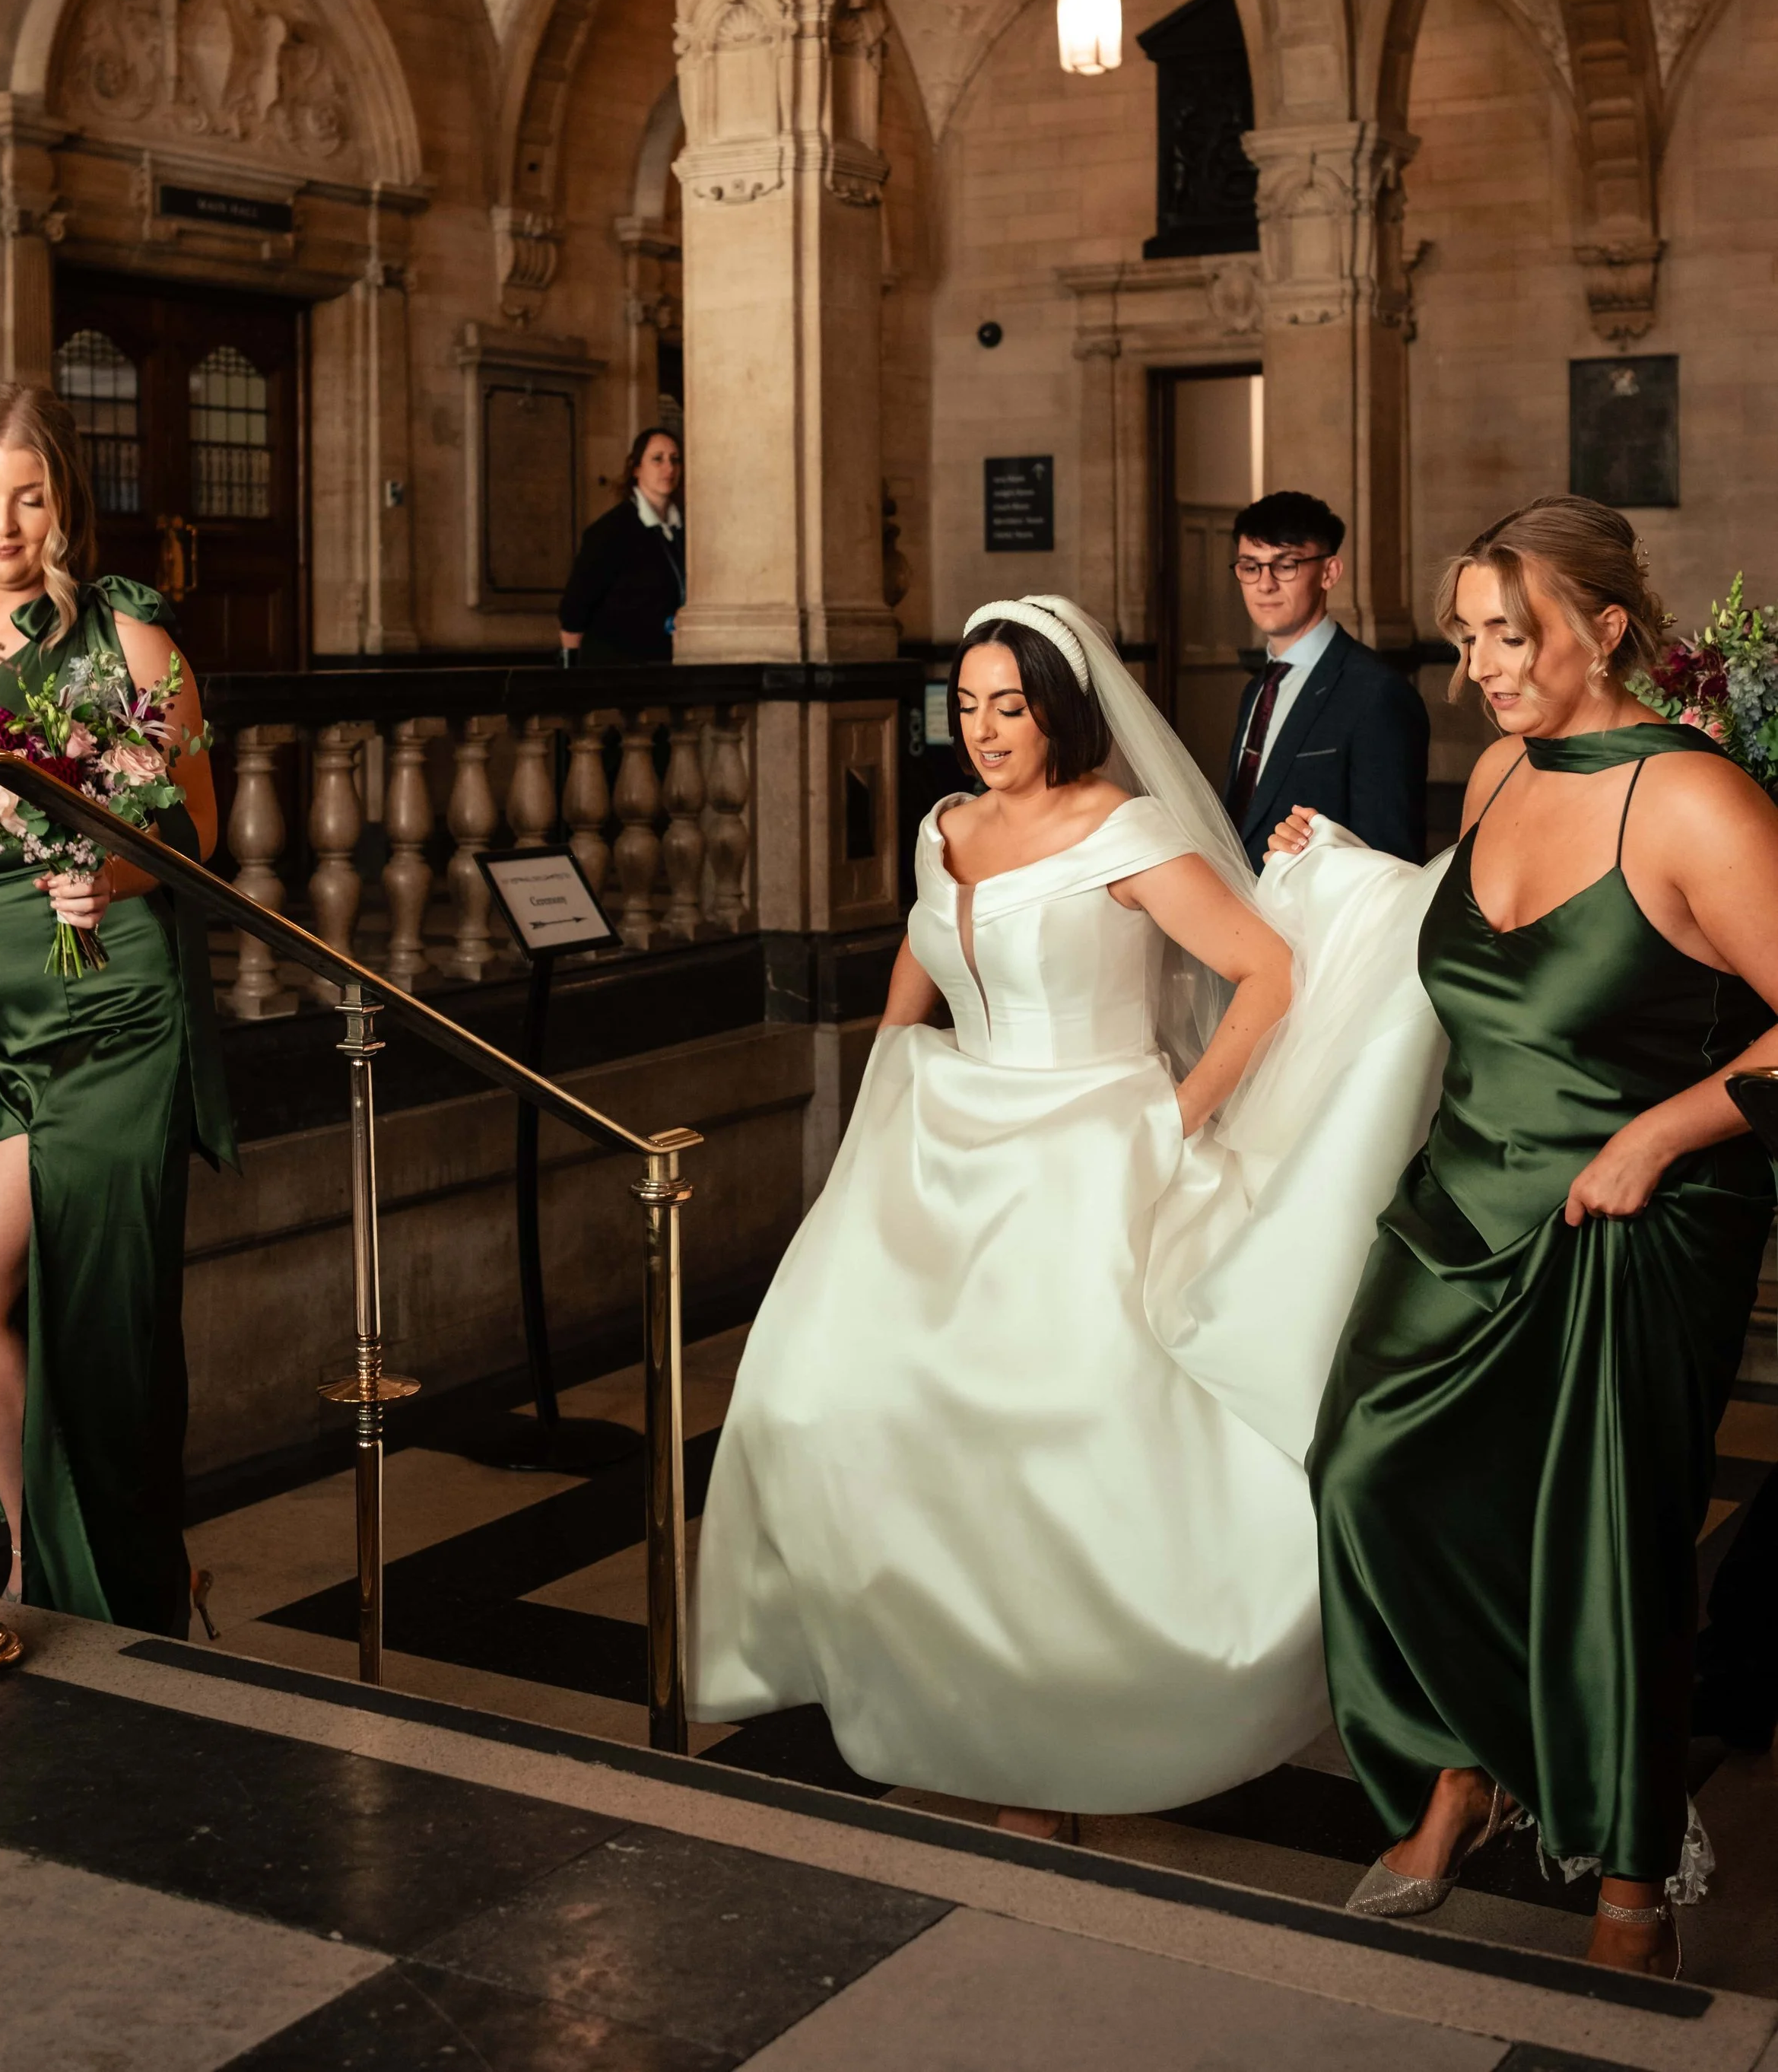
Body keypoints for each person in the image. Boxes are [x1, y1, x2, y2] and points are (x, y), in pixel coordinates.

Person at [691, 592, 1446, 1829]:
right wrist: (887, 1068)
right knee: (834, 1401)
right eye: (969, 706)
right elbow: (923, 947)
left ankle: (1053, 1751)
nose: (985, 730)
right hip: (939, 1147)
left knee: (1048, 1450)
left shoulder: (1123, 830)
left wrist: (1182, 1110)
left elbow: (1265, 970)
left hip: (1083, 1154)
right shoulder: (946, 826)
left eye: (1011, 706)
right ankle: (945, 1688)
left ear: (1061, 711)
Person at [1289, 497, 1778, 1979]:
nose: (1482, 668)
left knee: (1602, 1537)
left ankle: (1630, 1872)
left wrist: (1655, 1135)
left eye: (1513, 634)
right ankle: (1457, 1762)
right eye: (1464, 637)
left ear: (1604, 627)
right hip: (1460, 1197)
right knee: (1362, 1470)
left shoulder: (1694, 800)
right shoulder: (1495, 771)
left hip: (1637, 1216)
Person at [0, 381, 231, 1635]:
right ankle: (59, 1558)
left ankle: (89, 1572)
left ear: (62, 503)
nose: (4, 520)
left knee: (82, 1320)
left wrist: (108, 865)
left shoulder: (127, 642)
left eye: (28, 495)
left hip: (116, 1018)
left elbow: (193, 830)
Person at [1226, 490, 1428, 866]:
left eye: (1285, 565)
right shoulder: (1256, 690)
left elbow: (1391, 859)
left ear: (1329, 572)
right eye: (1250, 566)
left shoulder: (1378, 693)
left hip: (1318, 920)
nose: (1264, 584)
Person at [557, 426, 684, 664]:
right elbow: (574, 609)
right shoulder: (611, 530)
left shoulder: (686, 530)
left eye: (675, 460)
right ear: (636, 468)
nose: (669, 468)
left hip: (669, 666)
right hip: (617, 671)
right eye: (658, 459)